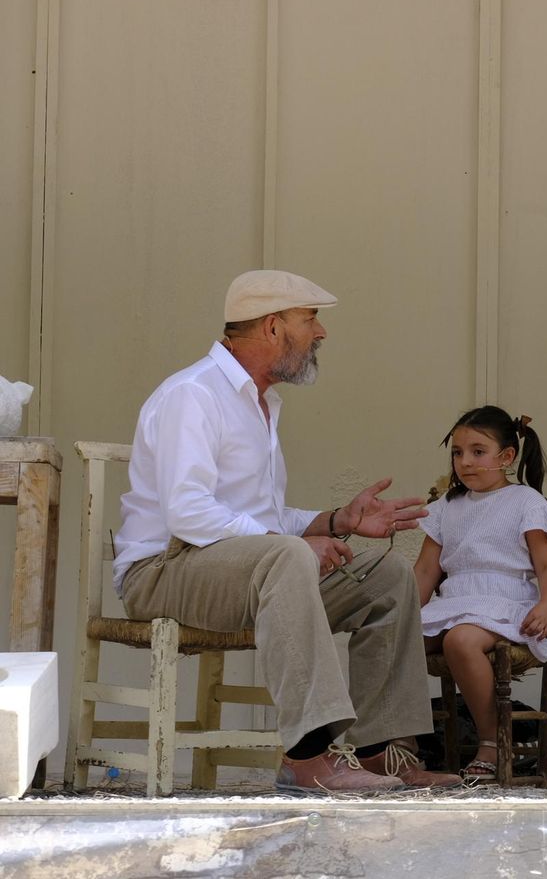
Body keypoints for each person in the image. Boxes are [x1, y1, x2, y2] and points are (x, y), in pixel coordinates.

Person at [114, 270, 460, 793]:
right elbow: (189, 513)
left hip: (244, 572)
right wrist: (294, 545)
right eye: (310, 319)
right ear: (273, 327)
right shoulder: (193, 395)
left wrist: (337, 521)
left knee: (387, 576)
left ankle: (378, 753)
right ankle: (307, 759)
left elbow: (262, 517)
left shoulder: (261, 404)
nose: (321, 333)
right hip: (164, 571)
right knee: (287, 558)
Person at [415, 406, 547, 780]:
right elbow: (425, 571)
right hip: (453, 602)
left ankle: (492, 741)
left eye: (477, 452)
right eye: (457, 452)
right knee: (391, 641)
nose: (465, 461)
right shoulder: (444, 508)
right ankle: (400, 745)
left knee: (462, 641)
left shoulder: (526, 503)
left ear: (507, 456)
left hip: (505, 603)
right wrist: (397, 619)